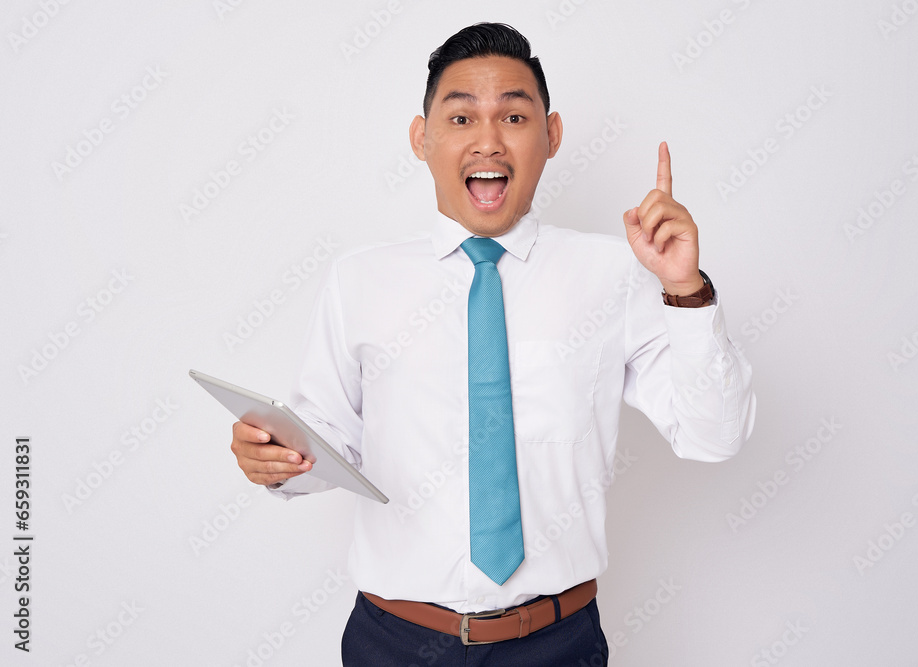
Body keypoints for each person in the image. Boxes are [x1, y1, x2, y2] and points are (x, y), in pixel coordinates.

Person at [230, 22, 755, 666]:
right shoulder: (359, 280)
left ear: (552, 135)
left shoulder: (615, 275)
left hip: (555, 644)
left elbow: (713, 435)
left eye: (513, 114)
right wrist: (277, 461)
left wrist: (685, 289)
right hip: (393, 642)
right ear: (421, 139)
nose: (488, 140)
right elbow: (327, 442)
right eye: (460, 118)